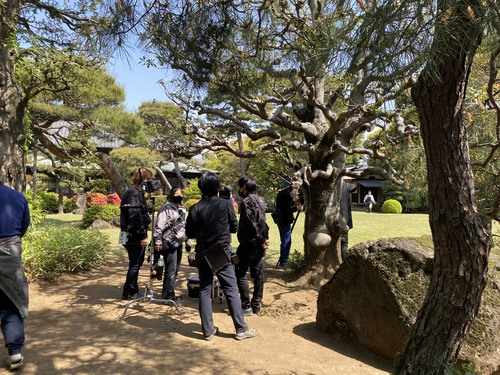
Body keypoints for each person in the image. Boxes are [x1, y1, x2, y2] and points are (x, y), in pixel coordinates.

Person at [185, 172, 257, 341]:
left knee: (204, 290)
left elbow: (189, 233)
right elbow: (234, 227)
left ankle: (208, 331)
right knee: (231, 288)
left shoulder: (195, 208)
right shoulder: (225, 205)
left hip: (202, 252)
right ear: (217, 187)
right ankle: (241, 328)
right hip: (219, 252)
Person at [0, 181, 30, 371]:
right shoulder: (17, 197)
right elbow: (24, 225)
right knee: (11, 302)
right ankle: (15, 354)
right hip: (10, 252)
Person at [234, 176, 269, 316]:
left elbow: (251, 223)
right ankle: (256, 305)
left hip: (249, 243)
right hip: (259, 244)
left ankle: (246, 305)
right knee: (258, 274)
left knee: (240, 272)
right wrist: (264, 239)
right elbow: (263, 222)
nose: (239, 189)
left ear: (244, 187)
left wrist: (260, 239)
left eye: (240, 187)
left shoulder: (247, 201)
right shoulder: (260, 200)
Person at [120, 168, 152, 300]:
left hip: (128, 233)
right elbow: (135, 215)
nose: (149, 182)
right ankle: (132, 291)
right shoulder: (134, 193)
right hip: (134, 235)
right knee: (135, 263)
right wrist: (142, 236)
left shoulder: (132, 192)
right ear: (141, 179)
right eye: (147, 179)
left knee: (136, 263)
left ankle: (128, 290)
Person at [153, 187, 189, 302]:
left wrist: (187, 241)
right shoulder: (165, 208)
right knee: (170, 270)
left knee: (176, 269)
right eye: (177, 194)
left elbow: (185, 226)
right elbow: (159, 226)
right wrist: (157, 241)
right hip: (168, 241)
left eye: (181, 194)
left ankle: (169, 291)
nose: (179, 196)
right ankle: (168, 295)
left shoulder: (182, 210)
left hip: (179, 242)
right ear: (172, 195)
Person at [275, 179, 303, 267]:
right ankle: (283, 261)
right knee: (286, 241)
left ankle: (283, 260)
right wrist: (297, 208)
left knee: (285, 240)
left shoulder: (281, 194)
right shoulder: (285, 195)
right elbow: (287, 209)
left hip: (282, 219)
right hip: (284, 220)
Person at [340, 179, 357, 261]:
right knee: (344, 242)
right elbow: (354, 187)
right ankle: (345, 262)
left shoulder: (331, 187)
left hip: (331, 218)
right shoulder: (347, 186)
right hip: (344, 218)